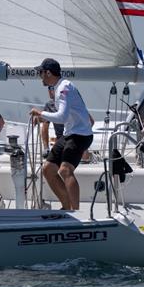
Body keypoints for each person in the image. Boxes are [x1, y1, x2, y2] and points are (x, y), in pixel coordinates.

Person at [29, 58, 93, 211]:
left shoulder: (64, 88)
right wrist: (42, 116)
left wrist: (41, 113)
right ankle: (66, 207)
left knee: (65, 170)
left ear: (48, 73)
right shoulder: (59, 87)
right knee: (48, 169)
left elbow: (62, 117)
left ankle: (76, 212)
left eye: (41, 73)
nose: (40, 76)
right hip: (70, 133)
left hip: (80, 135)